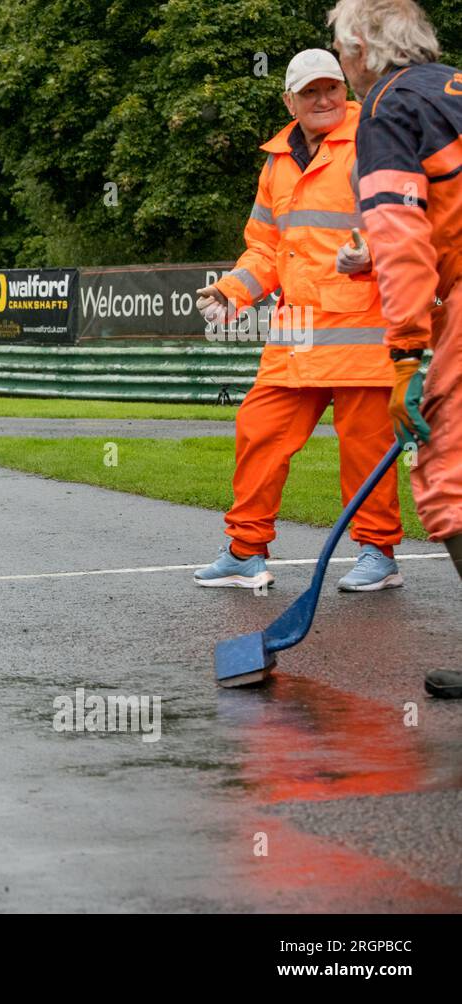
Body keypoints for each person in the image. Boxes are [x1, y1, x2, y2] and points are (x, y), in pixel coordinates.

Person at [192, 49, 404, 592]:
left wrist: (374, 256)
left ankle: (378, 553)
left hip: (363, 324)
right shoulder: (277, 161)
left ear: (346, 90)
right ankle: (245, 551)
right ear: (290, 100)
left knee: (366, 446)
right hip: (297, 330)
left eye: (332, 88)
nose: (324, 99)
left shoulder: (374, 139)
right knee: (258, 430)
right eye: (310, 92)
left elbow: (413, 223)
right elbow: (264, 247)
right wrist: (230, 292)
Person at [329, 0, 462, 698]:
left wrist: (406, 352)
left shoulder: (386, 106)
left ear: (358, 45)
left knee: (450, 481)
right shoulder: (452, 85)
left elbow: (403, 232)